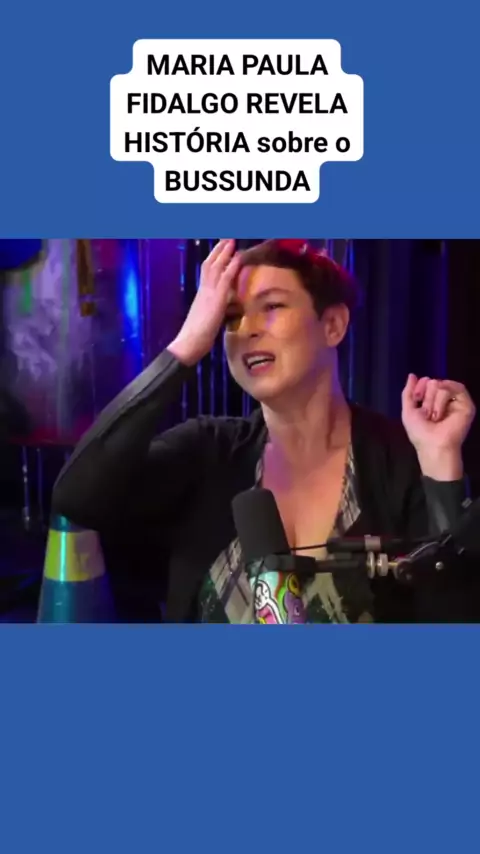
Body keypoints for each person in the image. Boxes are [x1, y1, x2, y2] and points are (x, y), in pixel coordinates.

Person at [52, 239, 477, 623]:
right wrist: (185, 347)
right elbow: (77, 497)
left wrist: (441, 460)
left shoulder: (398, 460)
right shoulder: (207, 452)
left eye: (272, 306)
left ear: (332, 325)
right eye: (231, 317)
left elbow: (454, 621)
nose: (247, 329)